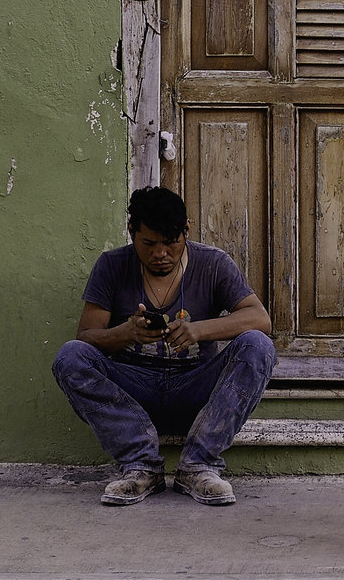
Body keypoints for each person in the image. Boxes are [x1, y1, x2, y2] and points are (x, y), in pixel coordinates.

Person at [51, 186, 276, 506]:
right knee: (69, 356)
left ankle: (199, 466)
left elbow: (260, 319)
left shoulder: (213, 263)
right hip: (133, 393)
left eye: (171, 243)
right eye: (149, 243)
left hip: (197, 391)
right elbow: (86, 337)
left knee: (258, 345)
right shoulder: (111, 266)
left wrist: (199, 330)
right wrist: (125, 334)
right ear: (132, 232)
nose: (160, 254)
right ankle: (141, 466)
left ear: (186, 231)